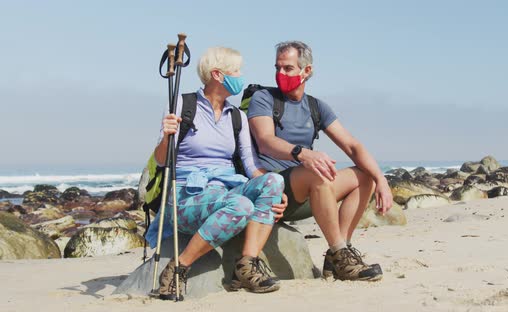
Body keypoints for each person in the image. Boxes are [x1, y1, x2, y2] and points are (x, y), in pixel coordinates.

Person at [145, 46, 287, 300]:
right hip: (187, 198)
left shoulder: (236, 117)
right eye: (236, 70)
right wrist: (167, 136)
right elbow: (160, 159)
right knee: (241, 205)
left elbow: (252, 165)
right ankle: (178, 268)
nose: (240, 76)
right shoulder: (182, 104)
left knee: (274, 180)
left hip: (224, 191)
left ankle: (246, 266)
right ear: (218, 75)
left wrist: (275, 191)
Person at [247, 41, 394, 282]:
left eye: (288, 68)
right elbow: (265, 140)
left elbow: (352, 145)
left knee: (364, 176)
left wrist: (381, 179)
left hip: (309, 192)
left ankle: (339, 254)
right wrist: (303, 154)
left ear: (306, 71)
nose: (280, 74)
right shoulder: (263, 99)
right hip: (275, 190)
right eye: (277, 68)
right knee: (317, 173)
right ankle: (339, 252)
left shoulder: (316, 107)